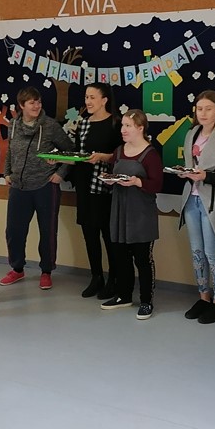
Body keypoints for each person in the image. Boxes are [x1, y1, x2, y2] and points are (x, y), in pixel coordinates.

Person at [175, 90, 215, 324]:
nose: (203, 113)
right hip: (191, 200)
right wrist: (186, 173)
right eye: (199, 108)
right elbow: (191, 165)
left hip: (214, 202)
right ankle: (203, 297)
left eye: (208, 109)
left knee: (213, 254)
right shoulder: (191, 133)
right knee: (197, 252)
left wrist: (207, 176)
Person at [0, 87, 75, 290]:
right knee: (14, 231)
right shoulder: (13, 125)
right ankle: (17, 268)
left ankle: (46, 271)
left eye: (39, 102)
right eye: (32, 102)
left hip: (45, 186)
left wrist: (60, 173)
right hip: (18, 186)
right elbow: (10, 151)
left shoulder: (50, 126)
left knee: (48, 232)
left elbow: (71, 151)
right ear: (21, 105)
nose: (37, 106)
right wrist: (7, 173)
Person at [101, 109, 163, 319]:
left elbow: (157, 185)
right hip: (119, 211)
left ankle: (146, 301)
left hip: (141, 214)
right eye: (122, 125)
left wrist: (137, 182)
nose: (123, 130)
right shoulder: (119, 151)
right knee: (121, 256)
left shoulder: (150, 155)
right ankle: (124, 295)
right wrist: (109, 179)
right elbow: (113, 174)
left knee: (143, 259)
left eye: (128, 126)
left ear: (140, 128)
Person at [70, 84, 122, 299]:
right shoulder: (83, 123)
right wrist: (60, 159)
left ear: (104, 100)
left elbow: (122, 156)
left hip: (105, 188)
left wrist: (103, 157)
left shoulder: (116, 123)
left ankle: (114, 279)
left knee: (108, 236)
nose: (88, 101)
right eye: (86, 97)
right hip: (84, 186)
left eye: (92, 97)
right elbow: (77, 154)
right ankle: (96, 277)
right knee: (89, 234)